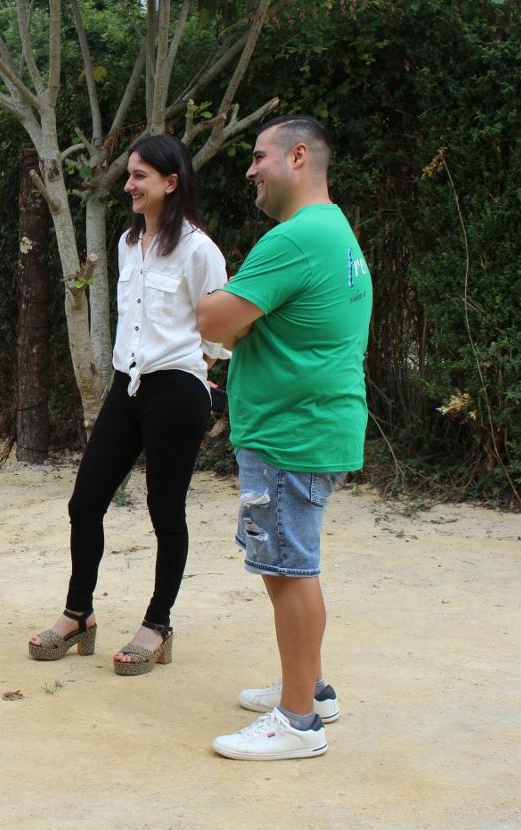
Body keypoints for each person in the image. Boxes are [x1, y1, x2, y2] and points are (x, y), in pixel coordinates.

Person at [197, 115, 372, 760]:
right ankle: (311, 687)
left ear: (298, 157)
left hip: (288, 432)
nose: (249, 169)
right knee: (285, 566)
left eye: (257, 156)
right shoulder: (335, 231)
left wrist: (223, 310)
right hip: (309, 424)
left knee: (290, 569)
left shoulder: (293, 239)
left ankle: (298, 722)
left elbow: (215, 318)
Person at [27, 134, 230, 675]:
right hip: (128, 386)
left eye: (140, 175)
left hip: (176, 390)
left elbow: (219, 332)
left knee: (166, 512)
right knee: (85, 501)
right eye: (130, 175)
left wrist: (201, 377)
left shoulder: (199, 250)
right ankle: (78, 615)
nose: (130, 185)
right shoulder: (125, 242)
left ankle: (158, 625)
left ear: (172, 182)